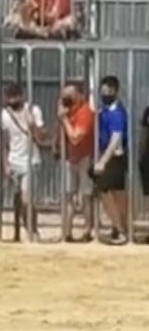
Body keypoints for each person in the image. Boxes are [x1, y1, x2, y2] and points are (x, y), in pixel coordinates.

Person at [0, 83, 45, 242]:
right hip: (14, 161)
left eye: (15, 96)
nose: (12, 100)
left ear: (22, 95)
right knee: (18, 200)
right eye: (9, 97)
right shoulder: (5, 114)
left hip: (31, 160)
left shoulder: (33, 110)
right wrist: (5, 164)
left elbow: (41, 137)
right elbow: (5, 142)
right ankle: (19, 232)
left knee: (27, 199)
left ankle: (33, 231)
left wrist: (31, 123)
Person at [57, 82, 95, 243]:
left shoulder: (85, 111)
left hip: (84, 156)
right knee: (68, 195)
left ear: (80, 95)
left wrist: (64, 118)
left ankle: (87, 231)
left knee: (85, 195)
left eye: (70, 96)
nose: (67, 99)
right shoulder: (64, 106)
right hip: (69, 157)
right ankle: (67, 232)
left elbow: (75, 137)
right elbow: (60, 129)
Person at [94, 75, 129, 245]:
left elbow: (116, 139)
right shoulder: (106, 110)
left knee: (104, 191)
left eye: (107, 92)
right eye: (102, 91)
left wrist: (102, 161)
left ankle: (120, 230)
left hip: (114, 157)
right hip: (113, 157)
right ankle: (120, 229)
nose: (104, 95)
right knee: (118, 193)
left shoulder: (117, 112)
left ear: (115, 91)